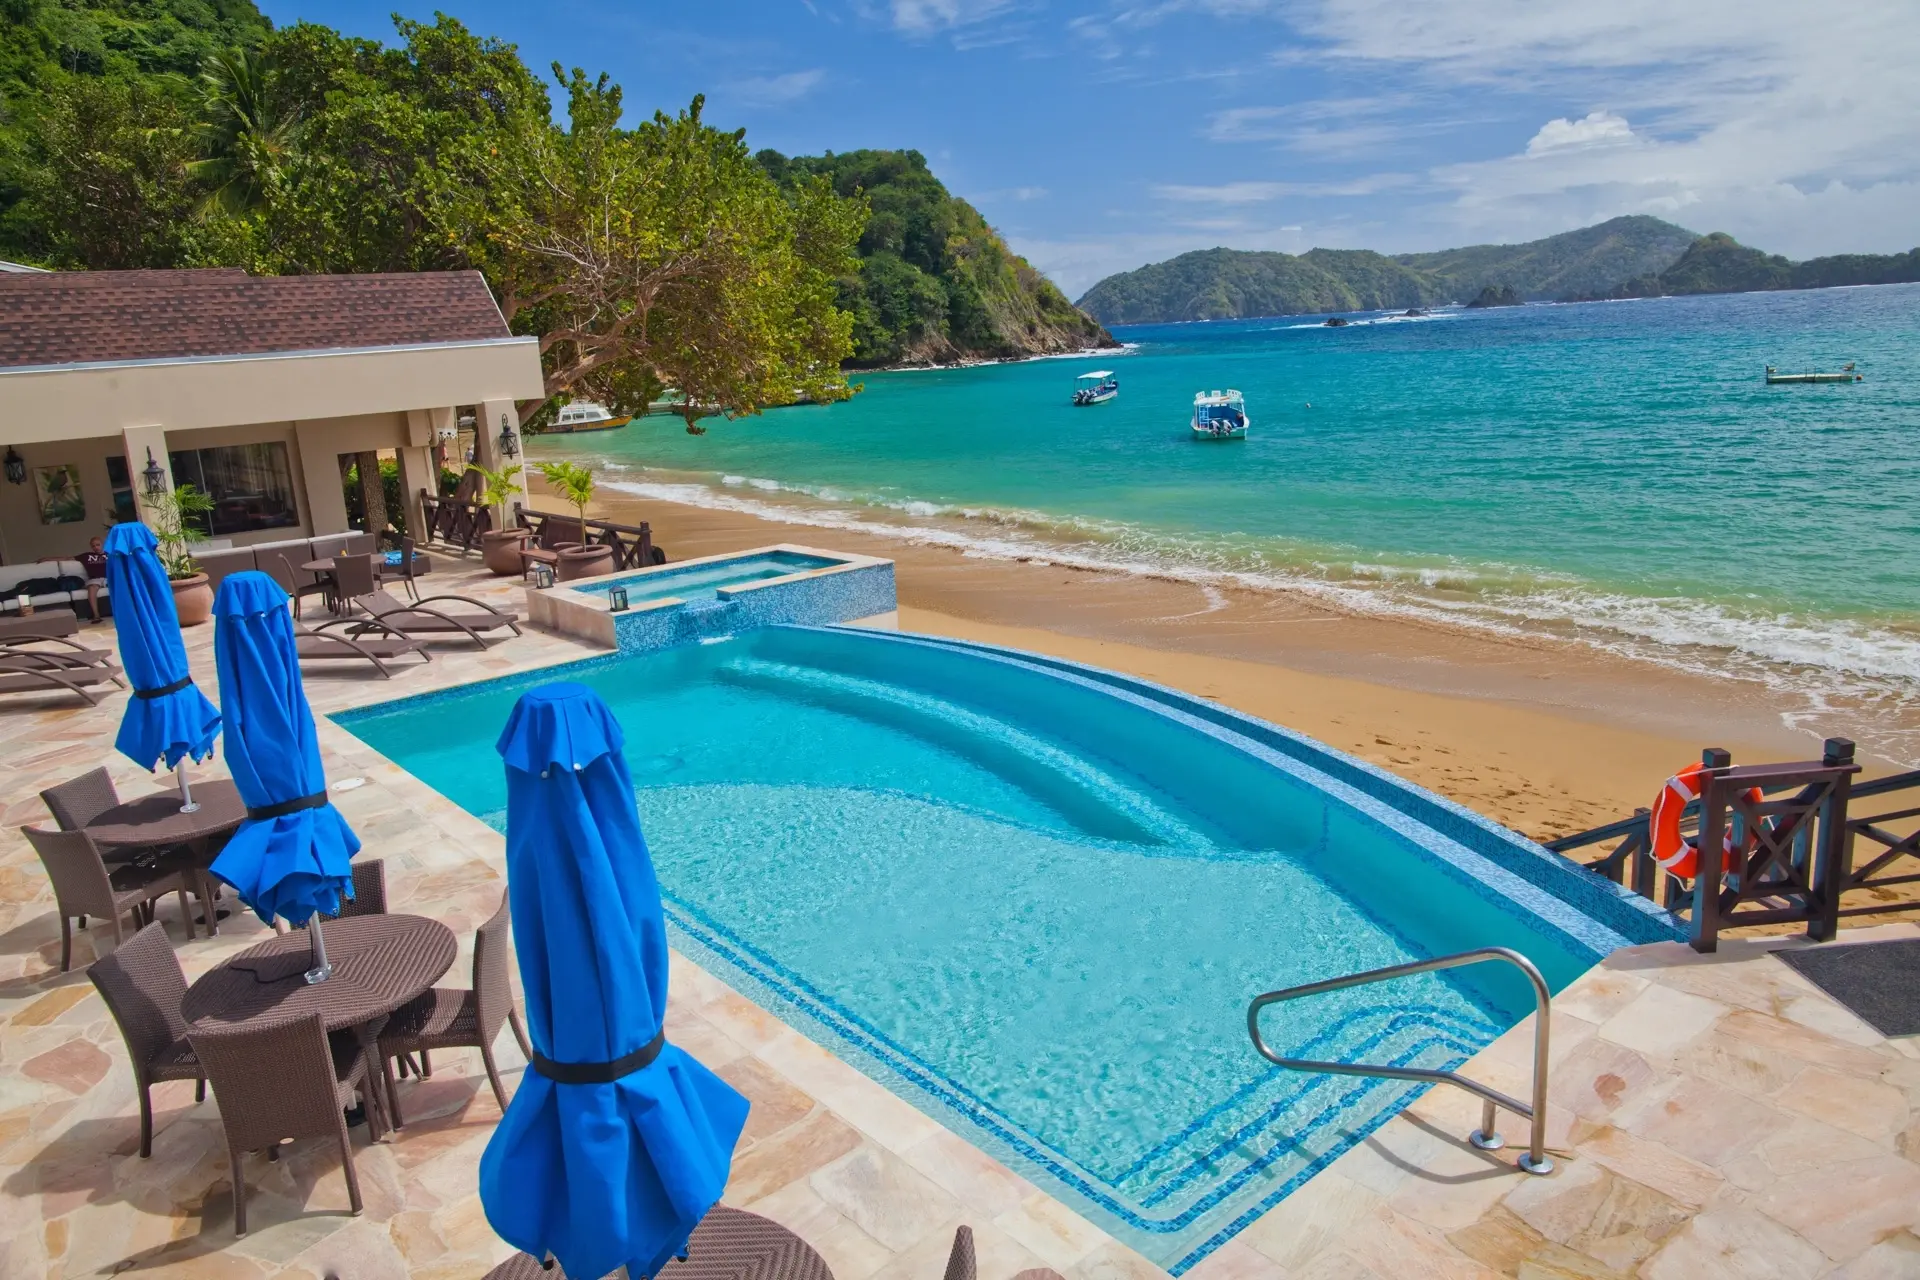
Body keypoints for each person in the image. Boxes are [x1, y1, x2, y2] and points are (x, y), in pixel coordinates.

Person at [76, 535, 107, 622]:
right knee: (92, 588)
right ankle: (96, 616)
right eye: (93, 546)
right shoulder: (87, 556)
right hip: (95, 579)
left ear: (102, 544)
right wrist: (46, 559)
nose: (96, 547)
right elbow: (67, 558)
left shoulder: (110, 554)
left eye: (98, 545)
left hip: (108, 578)